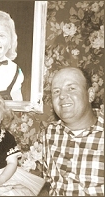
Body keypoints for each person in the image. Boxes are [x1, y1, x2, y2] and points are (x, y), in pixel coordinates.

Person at [42, 67, 104, 196]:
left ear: (90, 94)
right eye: (56, 91)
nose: (62, 96)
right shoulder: (49, 133)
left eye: (71, 88)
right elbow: (48, 184)